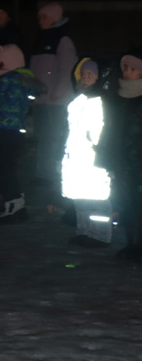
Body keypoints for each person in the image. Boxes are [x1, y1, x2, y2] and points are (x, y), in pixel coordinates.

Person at [58, 58, 113, 247]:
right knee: (80, 197)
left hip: (93, 157)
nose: (85, 79)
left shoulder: (101, 102)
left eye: (90, 75)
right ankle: (84, 230)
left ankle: (99, 235)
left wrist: (99, 150)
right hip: (76, 155)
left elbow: (101, 130)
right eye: (83, 75)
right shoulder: (77, 101)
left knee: (97, 198)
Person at [0, 44, 41, 222]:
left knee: (6, 170)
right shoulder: (22, 81)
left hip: (4, 131)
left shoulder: (8, 81)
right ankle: (15, 205)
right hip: (14, 132)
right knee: (9, 169)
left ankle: (14, 208)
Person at [29, 2, 78, 190]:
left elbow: (67, 69)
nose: (40, 20)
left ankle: (53, 173)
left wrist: (57, 93)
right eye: (39, 17)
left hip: (55, 101)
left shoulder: (63, 40)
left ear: (55, 18)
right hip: (42, 99)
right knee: (43, 137)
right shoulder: (41, 39)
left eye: (44, 16)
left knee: (53, 137)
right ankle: (44, 173)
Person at [102, 51, 142, 260]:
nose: (127, 72)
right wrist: (106, 156)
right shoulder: (115, 98)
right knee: (126, 201)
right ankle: (132, 243)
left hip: (138, 159)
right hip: (122, 159)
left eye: (133, 68)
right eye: (125, 68)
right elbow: (109, 129)